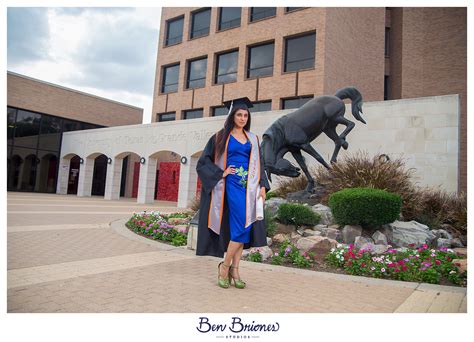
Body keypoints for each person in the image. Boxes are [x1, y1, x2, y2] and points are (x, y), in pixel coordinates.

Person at [196, 97, 270, 289]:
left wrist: (262, 185)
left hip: (250, 187)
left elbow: (260, 163)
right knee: (241, 227)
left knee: (245, 226)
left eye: (246, 115)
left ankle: (234, 269)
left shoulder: (253, 138)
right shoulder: (220, 137)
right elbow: (203, 162)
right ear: (232, 116)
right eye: (239, 114)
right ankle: (226, 266)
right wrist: (221, 172)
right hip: (231, 186)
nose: (243, 118)